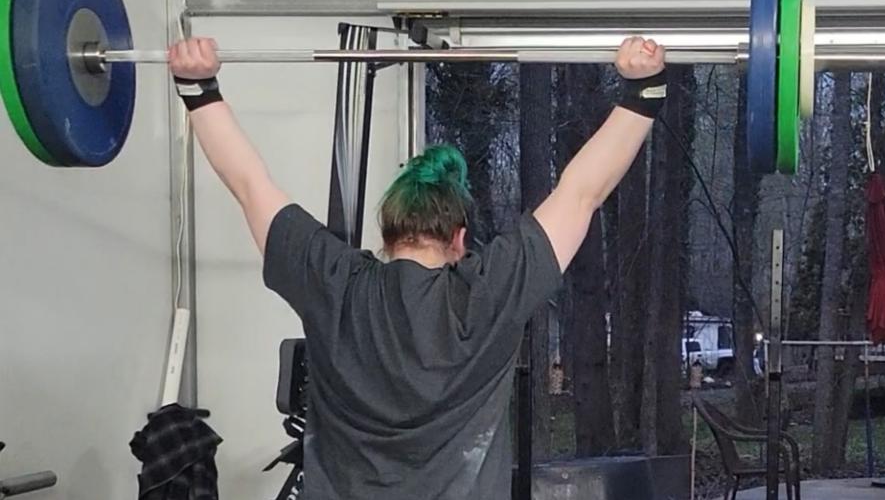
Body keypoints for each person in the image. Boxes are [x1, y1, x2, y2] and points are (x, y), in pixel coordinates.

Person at [168, 36, 666, 500]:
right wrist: (643, 91)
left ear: (388, 236)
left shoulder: (335, 282)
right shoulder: (489, 291)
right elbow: (581, 194)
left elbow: (249, 185)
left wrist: (198, 87)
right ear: (459, 238)